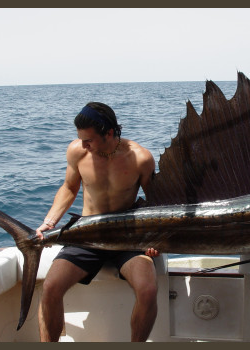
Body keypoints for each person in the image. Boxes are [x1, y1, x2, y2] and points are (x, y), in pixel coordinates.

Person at [35, 102, 159, 342]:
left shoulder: (141, 158)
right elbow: (69, 188)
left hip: (128, 237)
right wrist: (50, 221)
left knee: (148, 289)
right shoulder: (77, 152)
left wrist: (154, 239)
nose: (83, 145)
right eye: (81, 139)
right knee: (51, 288)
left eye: (89, 140)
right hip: (88, 235)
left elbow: (156, 203)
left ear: (109, 133)